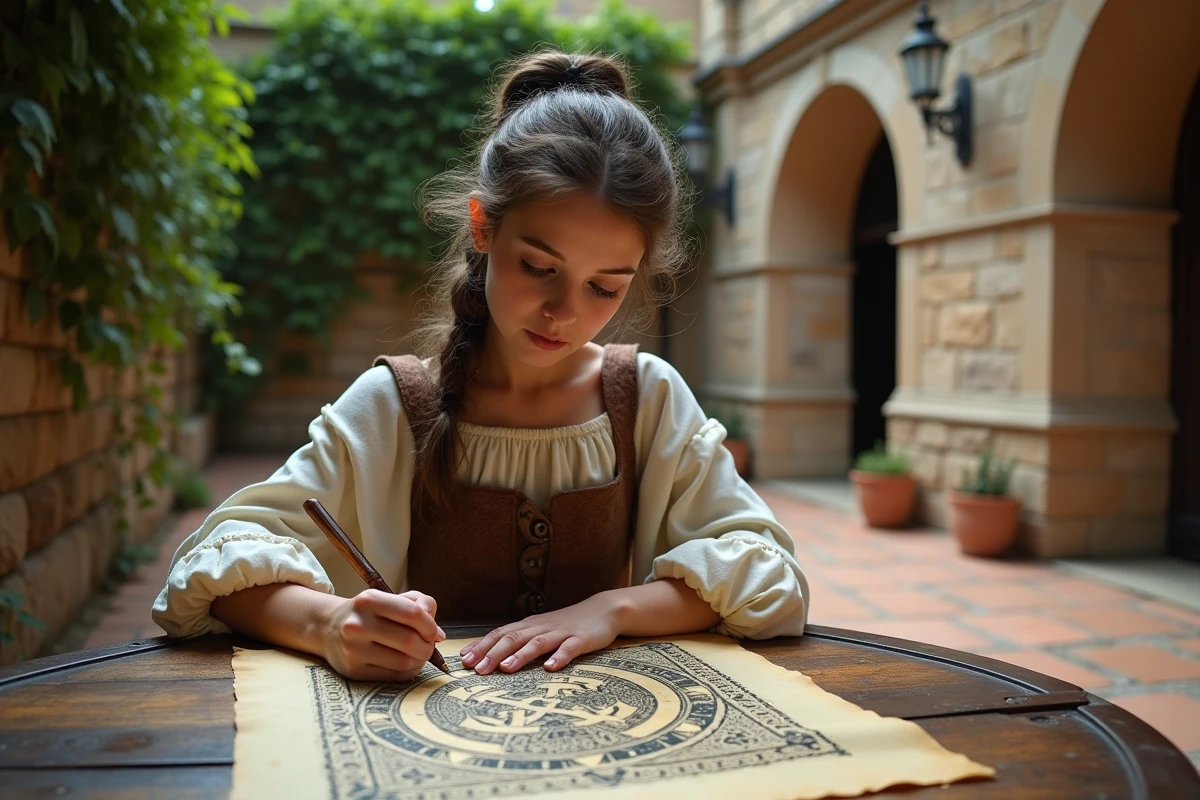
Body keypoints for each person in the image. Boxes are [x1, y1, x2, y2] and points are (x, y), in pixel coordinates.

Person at [152, 50, 808, 683]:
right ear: (482, 226)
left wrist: (614, 609)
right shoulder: (392, 405)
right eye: (539, 267)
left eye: (604, 287)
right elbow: (210, 567)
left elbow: (769, 574)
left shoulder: (649, 398)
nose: (564, 312)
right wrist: (328, 624)